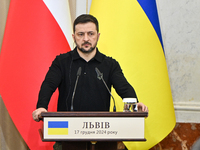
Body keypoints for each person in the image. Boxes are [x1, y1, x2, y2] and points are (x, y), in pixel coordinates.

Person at [32, 14, 148, 149]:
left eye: (90, 34)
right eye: (80, 34)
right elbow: (48, 85)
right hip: (68, 138)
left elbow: (124, 87)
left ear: (98, 36)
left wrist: (134, 103)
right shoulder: (61, 62)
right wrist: (41, 106)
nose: (86, 39)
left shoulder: (110, 65)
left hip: (102, 137)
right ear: (74, 37)